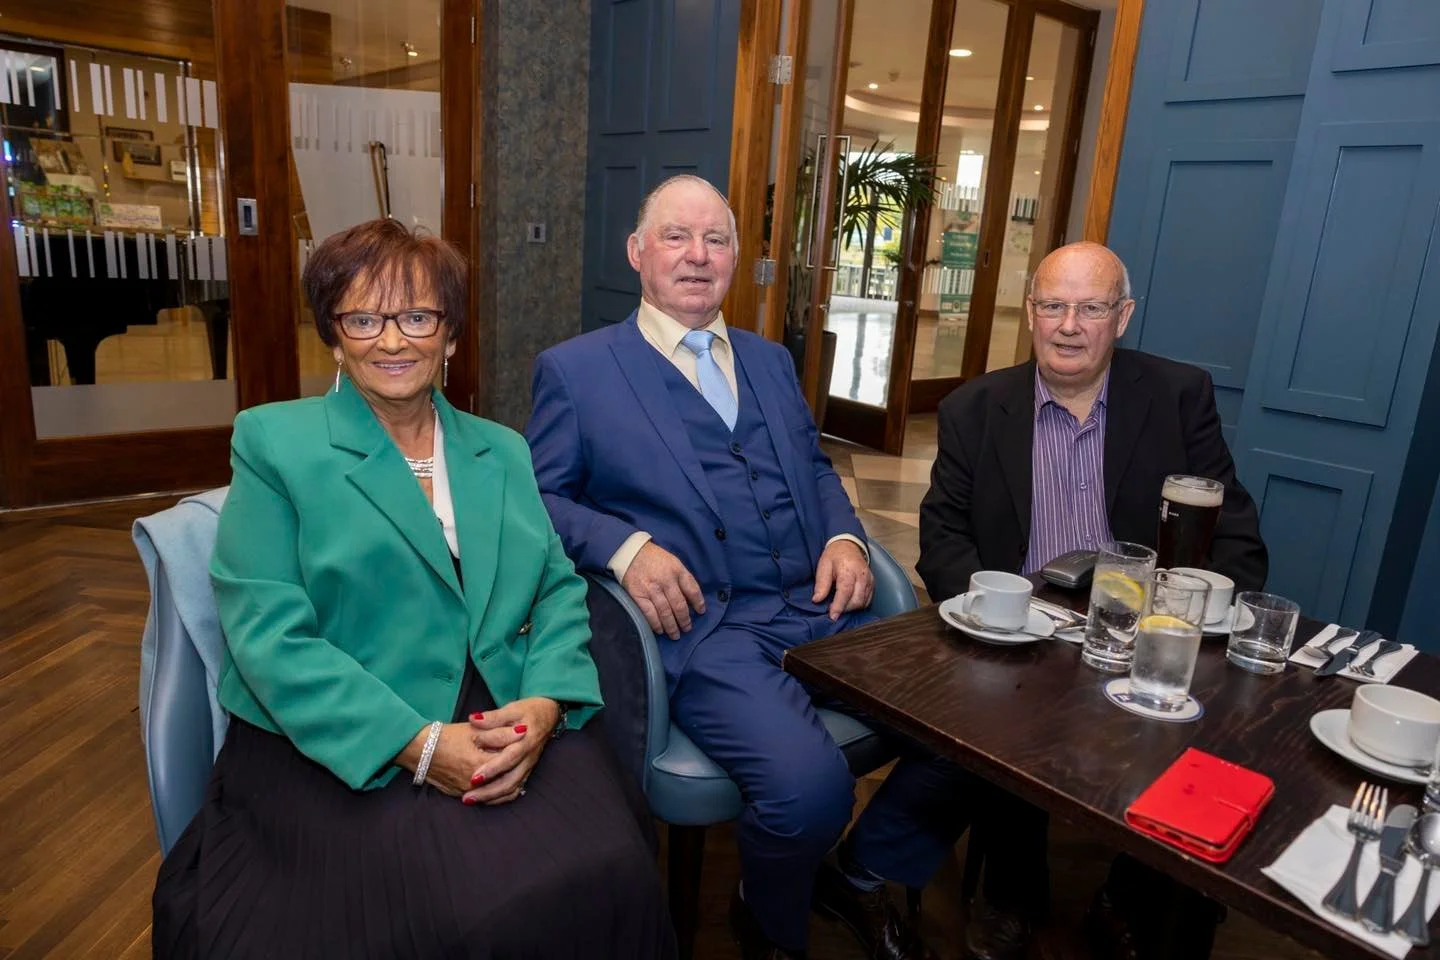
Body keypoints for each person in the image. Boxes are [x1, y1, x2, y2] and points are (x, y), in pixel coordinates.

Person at [151, 219, 675, 959]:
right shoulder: (274, 443)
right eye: (363, 318)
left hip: (496, 707)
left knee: (614, 869)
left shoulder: (501, 449)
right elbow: (268, 636)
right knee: (458, 912)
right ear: (334, 336)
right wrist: (420, 746)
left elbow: (559, 589)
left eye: (417, 317)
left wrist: (546, 704)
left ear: (451, 336)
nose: (391, 341)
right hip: (340, 729)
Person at [527, 175, 985, 960]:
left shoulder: (771, 361)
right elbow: (535, 498)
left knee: (973, 733)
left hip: (821, 610)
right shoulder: (579, 371)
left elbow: (810, 468)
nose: (697, 256)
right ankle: (767, 911)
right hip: (708, 632)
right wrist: (623, 547)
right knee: (809, 791)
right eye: (676, 237)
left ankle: (863, 870)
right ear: (639, 253)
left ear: (737, 259)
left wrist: (844, 538)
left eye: (716, 241)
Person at [917, 240, 1268, 959]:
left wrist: (1183, 627)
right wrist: (1001, 619)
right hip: (1029, 635)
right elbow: (942, 541)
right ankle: (1012, 890)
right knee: (1006, 703)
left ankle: (1133, 894)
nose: (1069, 325)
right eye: (1052, 305)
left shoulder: (1178, 396)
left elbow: (1236, 538)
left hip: (1148, 632)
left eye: (1091, 307)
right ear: (1031, 313)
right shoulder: (972, 410)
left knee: (1203, 718)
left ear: (1123, 316)